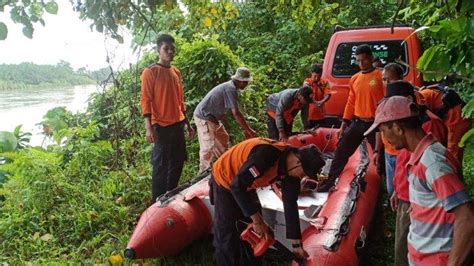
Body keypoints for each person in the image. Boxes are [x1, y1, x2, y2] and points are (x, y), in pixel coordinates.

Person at [364, 96, 473, 266]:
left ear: (398, 128)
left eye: (384, 130)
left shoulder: (432, 163)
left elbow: (467, 218)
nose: (384, 138)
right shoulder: (419, 157)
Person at [210, 137, 325, 265]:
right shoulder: (265, 155)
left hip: (246, 186)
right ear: (298, 162)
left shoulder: (290, 172)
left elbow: (290, 204)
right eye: (303, 173)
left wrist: (296, 245)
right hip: (225, 180)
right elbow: (237, 186)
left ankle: (249, 262)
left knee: (258, 230)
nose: (302, 177)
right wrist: (257, 220)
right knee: (228, 233)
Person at [382, 80, 447, 266]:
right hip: (407, 193)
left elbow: (435, 175)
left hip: (418, 200)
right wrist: (397, 188)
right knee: (404, 246)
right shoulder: (404, 130)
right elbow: (405, 162)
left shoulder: (428, 127)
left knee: (406, 247)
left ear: (409, 100)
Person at [318, 44, 384, 192]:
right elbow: (351, 102)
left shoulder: (380, 76)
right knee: (341, 151)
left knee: (380, 156)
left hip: (376, 124)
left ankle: (383, 188)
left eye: (364, 60)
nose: (361, 64)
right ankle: (329, 182)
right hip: (358, 122)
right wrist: (343, 125)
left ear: (371, 58)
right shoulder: (355, 78)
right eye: (358, 61)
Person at [140, 33, 195, 201]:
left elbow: (180, 100)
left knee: (178, 160)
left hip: (177, 123)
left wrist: (187, 123)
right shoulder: (151, 72)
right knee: (160, 165)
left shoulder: (175, 72)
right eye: (166, 49)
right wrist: (148, 127)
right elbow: (146, 99)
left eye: (172, 49)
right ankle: (157, 201)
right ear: (158, 50)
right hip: (160, 126)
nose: (170, 52)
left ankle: (170, 193)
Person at [194, 67, 257, 174]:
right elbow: (236, 113)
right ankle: (202, 175)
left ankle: (226, 168)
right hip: (204, 117)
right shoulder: (230, 88)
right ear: (241, 81)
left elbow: (232, 112)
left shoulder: (231, 87)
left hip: (213, 119)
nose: (246, 85)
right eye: (246, 82)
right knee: (208, 148)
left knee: (223, 142)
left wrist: (245, 128)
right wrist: (248, 129)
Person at [419, 83, 472, 162]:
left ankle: (453, 173)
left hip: (456, 116)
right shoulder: (418, 96)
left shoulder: (418, 100)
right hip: (447, 116)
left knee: (453, 156)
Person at [374, 63, 404, 197]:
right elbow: (379, 130)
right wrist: (377, 151)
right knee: (391, 189)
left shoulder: (407, 101)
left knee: (403, 191)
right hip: (388, 152)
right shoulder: (382, 103)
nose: (386, 83)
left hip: (403, 154)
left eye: (389, 79)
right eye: (384, 80)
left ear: (400, 78)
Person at [301, 63, 331, 129]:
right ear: (311, 73)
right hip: (309, 115)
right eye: (315, 76)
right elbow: (306, 90)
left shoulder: (324, 82)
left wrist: (321, 102)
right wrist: (315, 102)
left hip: (320, 115)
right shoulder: (307, 81)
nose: (317, 78)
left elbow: (328, 94)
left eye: (319, 76)